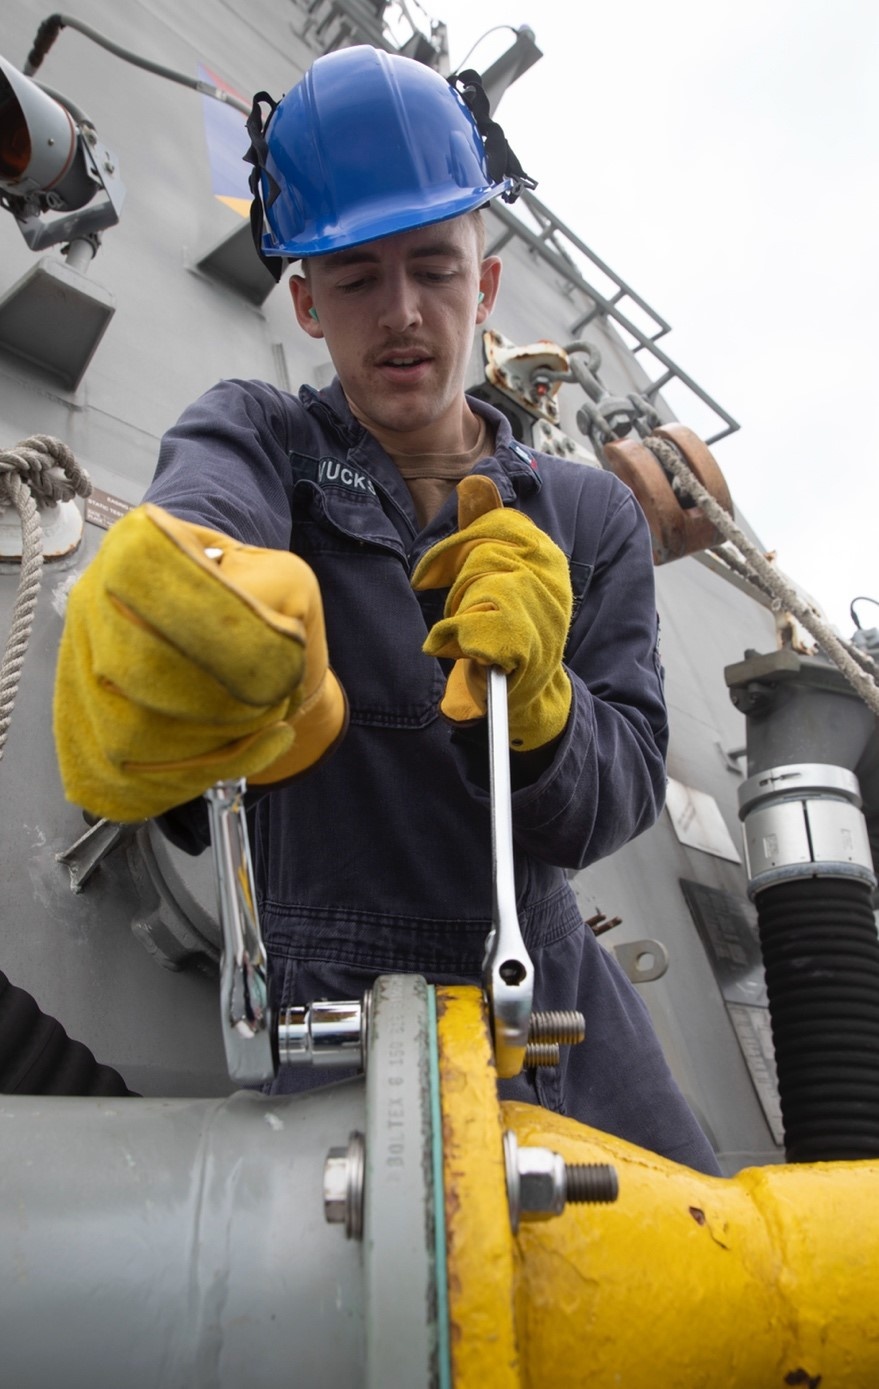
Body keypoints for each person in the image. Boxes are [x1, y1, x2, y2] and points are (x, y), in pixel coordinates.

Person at [54, 46, 719, 1175]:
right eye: (356, 277)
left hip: (561, 982)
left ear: (485, 284)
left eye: (433, 266)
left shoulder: (590, 516)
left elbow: (617, 795)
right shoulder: (259, 438)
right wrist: (165, 612)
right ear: (306, 301)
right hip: (334, 996)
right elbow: (200, 535)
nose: (402, 312)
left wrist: (545, 712)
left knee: (731, 1305)